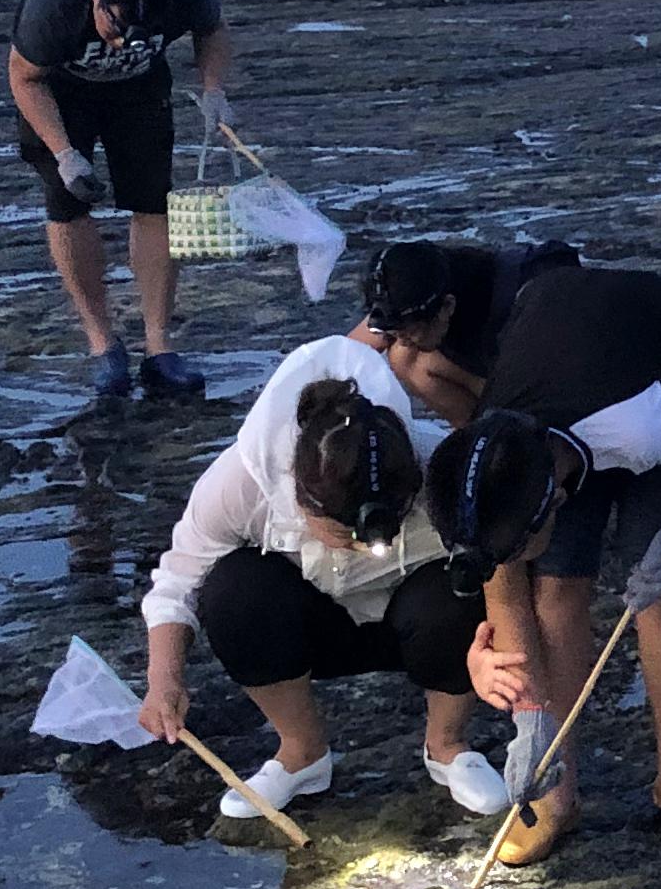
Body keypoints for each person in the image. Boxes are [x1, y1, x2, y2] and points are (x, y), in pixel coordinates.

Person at [425, 259, 661, 865]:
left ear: (556, 504)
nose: (505, 561)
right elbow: (506, 595)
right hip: (555, 369)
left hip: (652, 360)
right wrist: (531, 724)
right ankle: (556, 790)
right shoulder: (485, 466)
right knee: (554, 592)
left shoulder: (648, 427)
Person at [136, 335, 514, 824]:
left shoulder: (443, 469)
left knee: (464, 586)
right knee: (231, 590)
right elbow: (176, 582)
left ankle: (447, 744)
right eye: (343, 530)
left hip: (418, 619)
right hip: (308, 622)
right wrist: (163, 679)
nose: (361, 546)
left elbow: (510, 561)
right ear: (301, 490)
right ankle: (302, 751)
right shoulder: (240, 482)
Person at [7, 0, 233, 407]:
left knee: (154, 200)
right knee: (68, 204)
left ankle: (158, 347)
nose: (121, 43)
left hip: (138, 89)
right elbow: (24, 77)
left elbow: (212, 30)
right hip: (60, 90)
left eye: (139, 34)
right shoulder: (55, 2)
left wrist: (214, 91)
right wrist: (65, 154)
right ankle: (103, 345)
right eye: (115, 28)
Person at [359, 235, 583, 423]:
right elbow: (350, 349)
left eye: (409, 331)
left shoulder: (514, 306)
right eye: (395, 332)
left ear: (447, 306)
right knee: (402, 355)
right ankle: (473, 437)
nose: (404, 339)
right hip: (501, 368)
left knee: (408, 356)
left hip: (559, 382)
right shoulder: (427, 278)